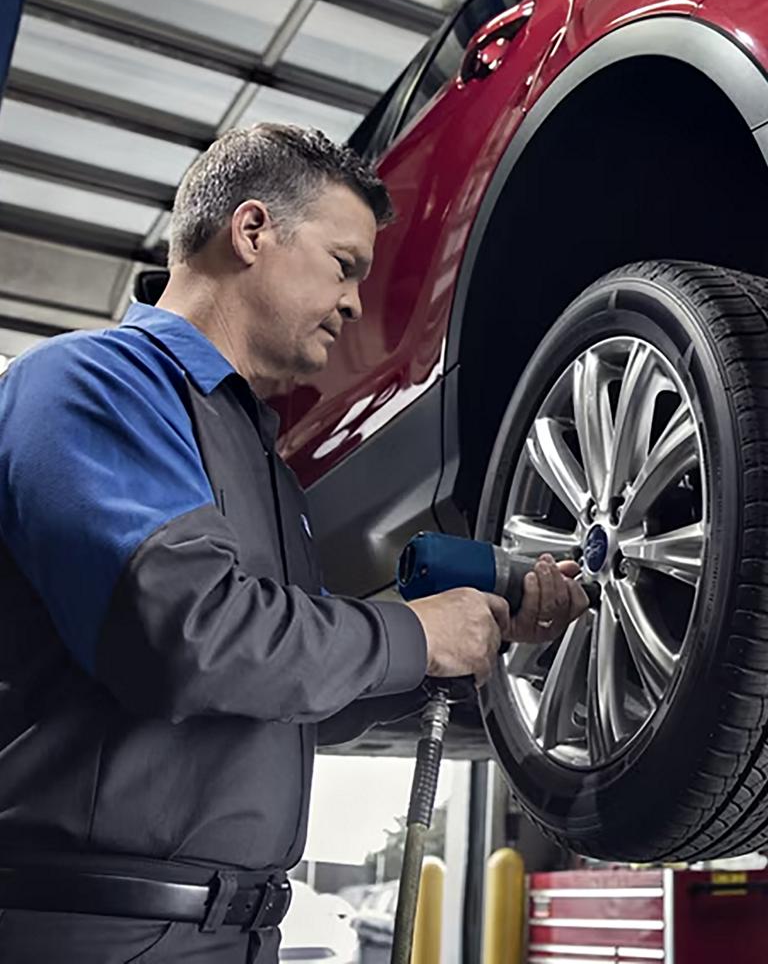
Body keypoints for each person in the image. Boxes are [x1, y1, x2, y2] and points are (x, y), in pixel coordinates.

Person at [0, 124, 588, 963]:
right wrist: (414, 635)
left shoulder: (261, 461)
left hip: (238, 935)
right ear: (251, 232)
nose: (354, 302)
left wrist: (465, 636)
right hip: (100, 928)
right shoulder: (92, 383)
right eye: (344, 264)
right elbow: (191, 637)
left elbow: (287, 690)